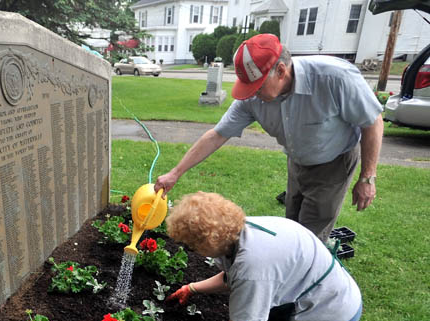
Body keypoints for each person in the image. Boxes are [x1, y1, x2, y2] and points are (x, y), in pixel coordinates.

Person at [154, 34, 384, 242]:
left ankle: (303, 279)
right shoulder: (252, 98)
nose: (251, 93)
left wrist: (367, 177)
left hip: (333, 161)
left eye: (256, 86)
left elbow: (372, 121)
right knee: (292, 222)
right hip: (297, 160)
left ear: (281, 71)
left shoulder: (334, 78)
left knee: (308, 237)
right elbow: (217, 135)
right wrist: (175, 173)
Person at [164, 191, 376, 321]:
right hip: (333, 293)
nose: (192, 252)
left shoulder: (252, 267)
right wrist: (191, 289)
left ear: (210, 241)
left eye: (192, 247)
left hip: (327, 312)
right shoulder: (246, 230)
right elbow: (232, 279)